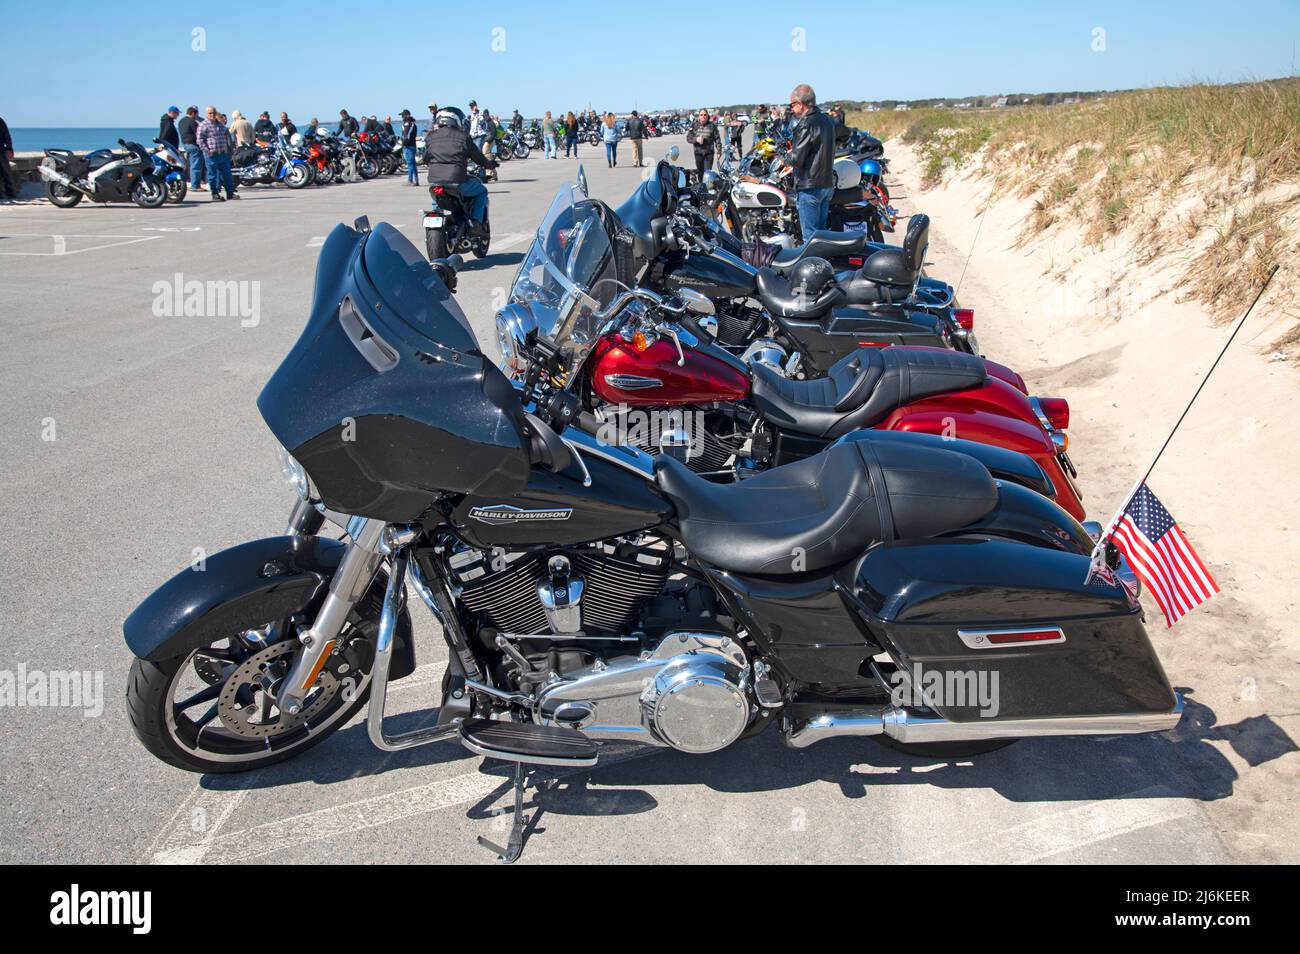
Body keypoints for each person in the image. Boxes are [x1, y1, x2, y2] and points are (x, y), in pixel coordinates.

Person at [424, 108, 496, 235]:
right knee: (482, 191)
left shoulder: (430, 137)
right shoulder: (463, 137)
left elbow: (425, 158)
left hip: (435, 182)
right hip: (456, 181)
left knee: (437, 202)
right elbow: (477, 157)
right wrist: (490, 165)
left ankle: (439, 218)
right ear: (456, 120)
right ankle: (476, 223)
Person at [779, 84, 835, 241]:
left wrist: (784, 159)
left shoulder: (805, 124)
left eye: (792, 105)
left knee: (810, 238)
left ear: (800, 104)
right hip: (826, 183)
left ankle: (811, 265)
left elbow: (797, 159)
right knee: (822, 236)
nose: (791, 109)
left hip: (809, 186)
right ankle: (824, 264)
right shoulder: (828, 121)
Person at [197, 105, 238, 202]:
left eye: (214, 113)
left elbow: (226, 137)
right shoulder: (203, 125)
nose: (212, 115)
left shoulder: (220, 125)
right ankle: (215, 194)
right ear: (207, 114)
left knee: (227, 174)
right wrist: (207, 151)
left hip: (223, 154)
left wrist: (229, 150)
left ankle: (230, 193)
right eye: (210, 113)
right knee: (212, 175)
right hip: (211, 154)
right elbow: (200, 140)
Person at [178, 106, 205, 191]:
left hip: (185, 144)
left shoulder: (181, 121)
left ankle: (193, 183)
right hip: (193, 145)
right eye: (196, 114)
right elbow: (198, 134)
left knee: (191, 165)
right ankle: (195, 186)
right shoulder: (192, 121)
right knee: (196, 166)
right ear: (193, 113)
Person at [688, 108, 718, 177]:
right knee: (700, 173)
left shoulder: (712, 126)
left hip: (708, 153)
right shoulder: (694, 125)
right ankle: (701, 186)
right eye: (701, 115)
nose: (703, 116)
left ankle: (707, 187)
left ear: (707, 116)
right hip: (698, 153)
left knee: (707, 174)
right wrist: (696, 139)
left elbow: (717, 139)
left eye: (705, 115)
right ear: (699, 116)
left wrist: (719, 151)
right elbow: (688, 138)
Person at [399, 109, 419, 185]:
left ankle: (410, 181)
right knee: (413, 164)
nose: (402, 117)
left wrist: (403, 144)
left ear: (407, 115)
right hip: (412, 145)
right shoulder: (412, 123)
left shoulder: (408, 124)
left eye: (403, 115)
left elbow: (406, 136)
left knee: (410, 164)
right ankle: (416, 181)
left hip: (408, 146)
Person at [0, 114, 17, 201]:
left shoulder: (0, 121)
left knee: (6, 173)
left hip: (1, 150)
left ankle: (10, 192)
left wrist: (9, 148)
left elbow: (7, 135)